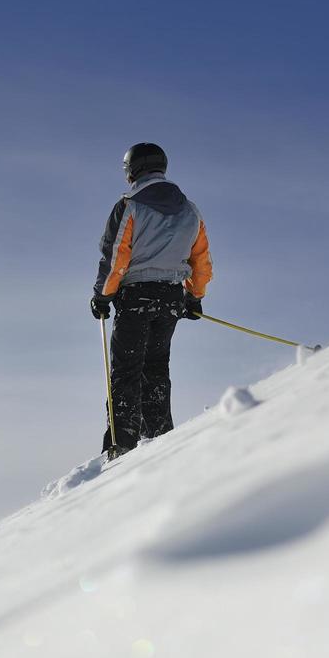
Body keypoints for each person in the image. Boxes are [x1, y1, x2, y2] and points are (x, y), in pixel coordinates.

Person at [90, 142, 212, 459]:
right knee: (156, 367)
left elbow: (116, 256)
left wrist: (103, 296)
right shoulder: (189, 209)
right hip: (171, 297)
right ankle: (158, 437)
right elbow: (201, 260)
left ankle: (122, 443)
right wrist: (194, 296)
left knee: (126, 370)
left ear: (133, 170)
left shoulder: (129, 206)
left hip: (136, 297)